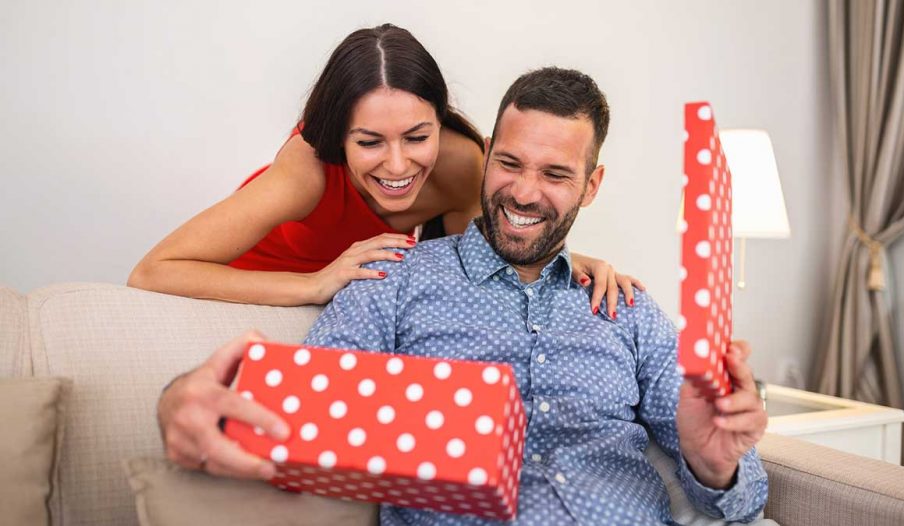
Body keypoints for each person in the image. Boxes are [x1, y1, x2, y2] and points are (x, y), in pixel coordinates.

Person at [158, 67, 768, 525]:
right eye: (509, 164)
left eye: (556, 175)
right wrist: (184, 401)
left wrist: (717, 465)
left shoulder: (628, 310)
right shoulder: (392, 279)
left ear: (590, 187)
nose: (524, 193)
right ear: (484, 163)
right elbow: (298, 410)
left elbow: (743, 491)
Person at [128, 24, 642, 313]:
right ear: (338, 135)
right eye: (369, 142)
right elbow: (152, 272)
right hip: (242, 294)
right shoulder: (307, 168)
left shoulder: (466, 166)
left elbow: (483, 261)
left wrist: (571, 259)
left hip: (349, 310)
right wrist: (314, 284)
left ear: (440, 121)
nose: (398, 165)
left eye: (417, 137)